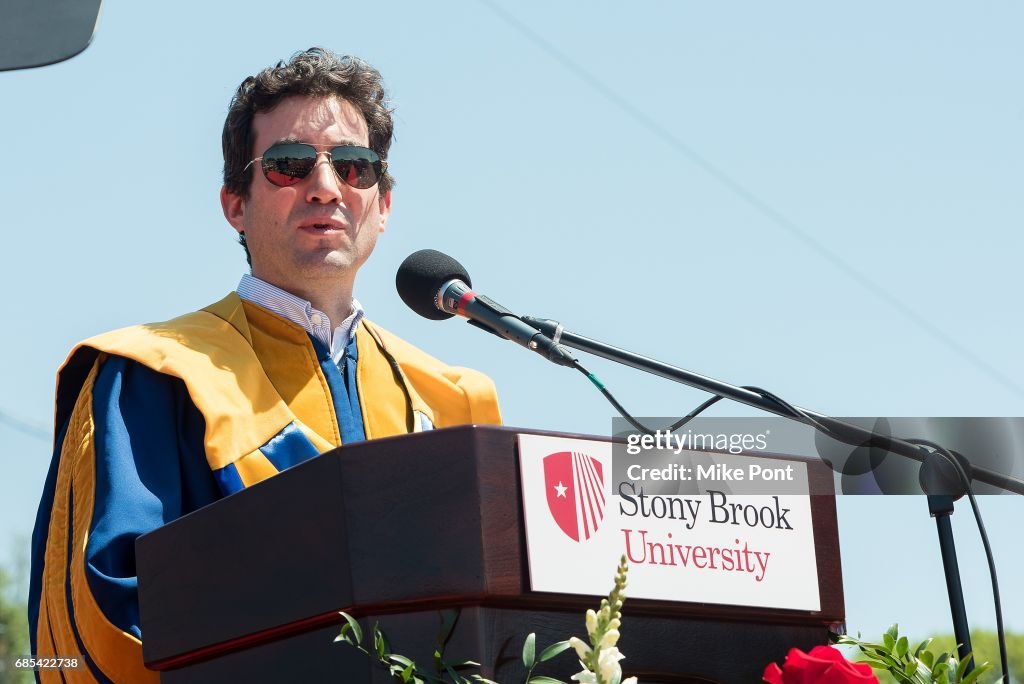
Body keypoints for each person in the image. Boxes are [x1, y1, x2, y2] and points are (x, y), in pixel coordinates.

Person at [28, 48, 501, 683]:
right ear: (234, 205)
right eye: (288, 165)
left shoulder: (450, 401)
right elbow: (107, 615)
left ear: (382, 205)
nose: (327, 186)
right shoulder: (154, 375)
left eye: (355, 167)